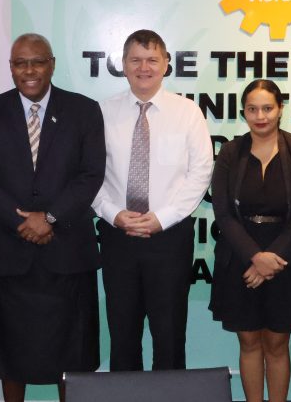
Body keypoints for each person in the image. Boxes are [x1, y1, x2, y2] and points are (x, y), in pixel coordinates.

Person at [0, 33, 105, 402]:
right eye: (20, 63)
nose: (29, 70)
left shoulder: (84, 110)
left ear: (52, 64)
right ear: (11, 67)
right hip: (9, 251)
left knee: (71, 353)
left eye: (37, 62)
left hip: (67, 251)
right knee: (10, 352)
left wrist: (51, 218)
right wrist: (22, 222)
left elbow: (91, 174)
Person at [93, 29, 214, 371]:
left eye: (152, 60)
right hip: (118, 236)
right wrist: (113, 214)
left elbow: (201, 171)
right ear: (123, 64)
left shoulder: (187, 112)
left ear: (165, 64)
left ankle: (170, 395)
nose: (143, 68)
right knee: (122, 334)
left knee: (170, 334)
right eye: (135, 60)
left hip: (169, 238)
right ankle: (126, 395)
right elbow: (89, 174)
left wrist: (163, 217)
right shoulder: (102, 112)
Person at [210, 79, 291, 402]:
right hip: (240, 257)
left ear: (280, 109)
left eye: (267, 108)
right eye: (252, 109)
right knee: (248, 341)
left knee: (277, 343)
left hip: (286, 256)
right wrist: (255, 257)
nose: (260, 116)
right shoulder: (231, 152)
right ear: (243, 112)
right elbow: (223, 212)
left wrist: (272, 258)